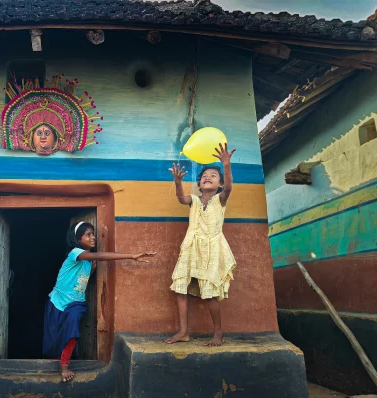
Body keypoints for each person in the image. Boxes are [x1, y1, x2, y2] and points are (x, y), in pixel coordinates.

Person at [43, 222, 155, 383]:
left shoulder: (88, 263)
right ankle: (55, 362)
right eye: (88, 234)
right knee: (55, 338)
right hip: (57, 302)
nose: (93, 237)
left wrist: (92, 271)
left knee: (71, 330)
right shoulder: (75, 253)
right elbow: (99, 256)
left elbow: (81, 279)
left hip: (76, 304)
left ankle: (64, 365)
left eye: (93, 234)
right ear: (77, 239)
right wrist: (131, 255)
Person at [166, 143, 237, 347]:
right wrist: (178, 182)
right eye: (205, 175)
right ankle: (183, 332)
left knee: (210, 293)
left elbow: (229, 188)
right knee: (180, 287)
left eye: (214, 176)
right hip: (191, 247)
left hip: (212, 250)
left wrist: (226, 165)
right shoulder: (194, 200)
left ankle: (218, 333)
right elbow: (181, 198)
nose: (208, 177)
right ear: (199, 183)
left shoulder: (220, 199)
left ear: (220, 184)